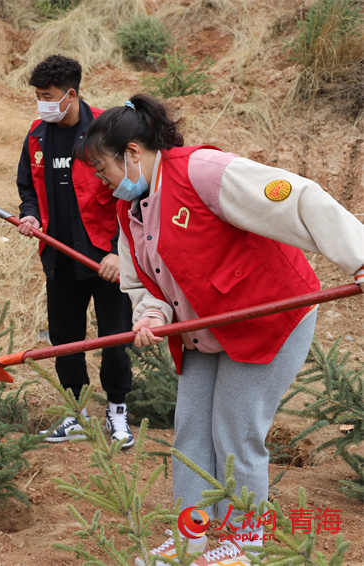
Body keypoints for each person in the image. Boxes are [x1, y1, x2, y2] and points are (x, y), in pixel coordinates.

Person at [78, 93, 364, 566]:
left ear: (132, 153)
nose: (101, 181)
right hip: (204, 332)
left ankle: (242, 544)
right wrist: (152, 316)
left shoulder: (204, 173)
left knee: (236, 435)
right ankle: (191, 540)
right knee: (190, 434)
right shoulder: (130, 213)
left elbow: (298, 199)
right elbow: (145, 285)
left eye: (102, 167)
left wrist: (359, 256)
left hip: (268, 318)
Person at [15, 54, 135, 447]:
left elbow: (131, 193)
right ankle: (77, 414)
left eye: (47, 96)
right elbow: (27, 188)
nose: (42, 103)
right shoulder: (36, 136)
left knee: (115, 337)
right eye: (37, 96)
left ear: (71, 94)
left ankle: (117, 414)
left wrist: (120, 252)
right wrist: (30, 216)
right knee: (66, 339)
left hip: (106, 259)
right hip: (59, 257)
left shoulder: (105, 130)